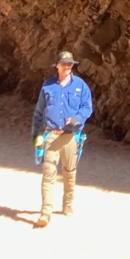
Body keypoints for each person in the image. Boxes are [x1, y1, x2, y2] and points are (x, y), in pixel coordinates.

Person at [31, 50, 93, 228]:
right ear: (57, 65)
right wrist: (36, 135)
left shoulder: (80, 86)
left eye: (70, 63)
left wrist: (75, 119)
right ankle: (45, 213)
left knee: (69, 173)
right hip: (51, 135)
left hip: (71, 137)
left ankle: (67, 205)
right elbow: (39, 112)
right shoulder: (47, 86)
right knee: (48, 175)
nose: (67, 66)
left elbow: (87, 108)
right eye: (64, 63)